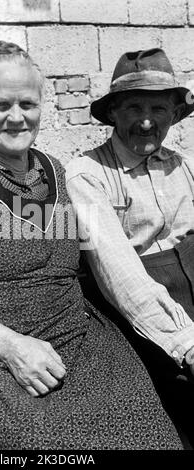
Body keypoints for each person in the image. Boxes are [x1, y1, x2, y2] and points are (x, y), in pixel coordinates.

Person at [0, 42, 182, 450]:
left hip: (72, 335)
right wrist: (10, 346)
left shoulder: (54, 171)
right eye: (0, 105)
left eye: (27, 103)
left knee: (147, 426)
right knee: (44, 442)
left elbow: (97, 247)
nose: (16, 117)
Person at [66, 48, 194, 448]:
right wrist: (187, 345)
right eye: (134, 106)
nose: (146, 120)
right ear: (113, 114)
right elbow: (119, 275)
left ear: (174, 114)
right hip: (142, 315)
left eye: (158, 107)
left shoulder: (184, 165)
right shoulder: (86, 175)